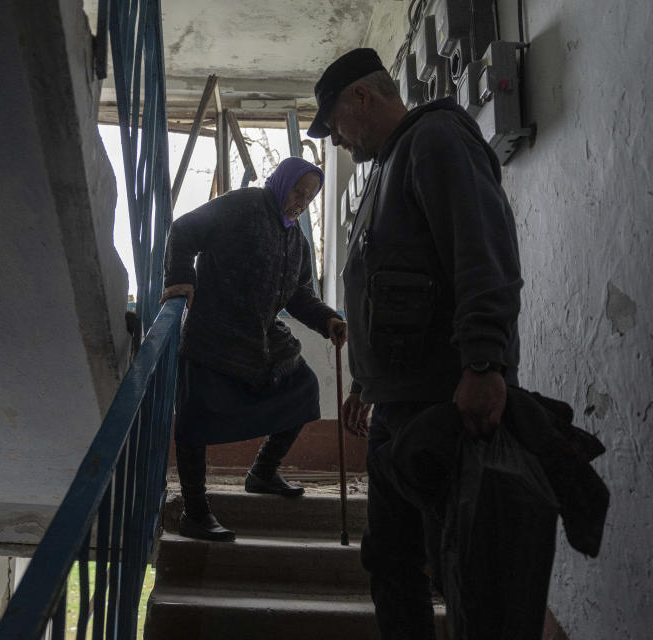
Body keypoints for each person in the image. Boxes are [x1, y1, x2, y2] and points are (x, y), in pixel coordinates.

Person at [308, 48, 527, 638]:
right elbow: (394, 288)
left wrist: (484, 362)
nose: (335, 142)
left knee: (456, 564)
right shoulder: (388, 165)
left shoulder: (436, 139)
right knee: (392, 560)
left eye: (335, 124)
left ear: (362, 97)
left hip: (444, 406)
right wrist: (366, 383)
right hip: (400, 408)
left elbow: (482, 253)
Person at [160, 157, 348, 542]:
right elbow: (184, 230)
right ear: (281, 182)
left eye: (310, 197)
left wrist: (327, 319)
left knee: (303, 388)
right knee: (195, 421)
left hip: (262, 338)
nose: (301, 201)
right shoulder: (242, 205)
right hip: (213, 333)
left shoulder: (296, 239)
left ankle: (263, 471)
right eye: (298, 190)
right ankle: (195, 510)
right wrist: (181, 279)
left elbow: (298, 295)